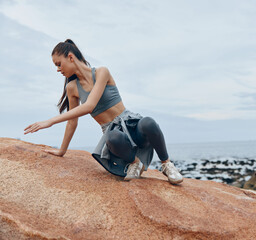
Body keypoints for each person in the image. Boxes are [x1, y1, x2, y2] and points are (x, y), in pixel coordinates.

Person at [24, 39, 183, 184]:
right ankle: (135, 163)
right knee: (112, 136)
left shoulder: (102, 72)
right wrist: (62, 150)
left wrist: (50, 121)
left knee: (148, 122)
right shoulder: (72, 88)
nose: (58, 69)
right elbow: (72, 121)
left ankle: (166, 164)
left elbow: (90, 106)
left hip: (132, 126)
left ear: (71, 57)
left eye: (59, 64)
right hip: (116, 138)